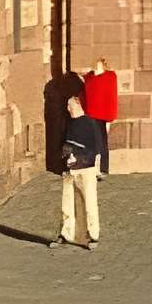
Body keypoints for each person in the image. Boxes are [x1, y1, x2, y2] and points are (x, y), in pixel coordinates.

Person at [58, 93, 106, 249]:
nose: (67, 108)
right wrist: (65, 155)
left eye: (69, 105)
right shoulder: (70, 123)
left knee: (89, 202)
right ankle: (66, 233)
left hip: (86, 168)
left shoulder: (90, 123)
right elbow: (67, 143)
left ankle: (93, 235)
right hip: (70, 169)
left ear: (78, 106)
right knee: (67, 203)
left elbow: (95, 149)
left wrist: (77, 158)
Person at [80, 58, 119, 173]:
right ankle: (92, 168)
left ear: (104, 65)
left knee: (101, 142)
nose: (97, 67)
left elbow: (109, 95)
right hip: (92, 113)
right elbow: (85, 91)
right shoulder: (90, 78)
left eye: (99, 65)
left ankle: (102, 169)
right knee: (93, 140)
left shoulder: (109, 77)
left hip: (102, 114)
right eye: (96, 65)